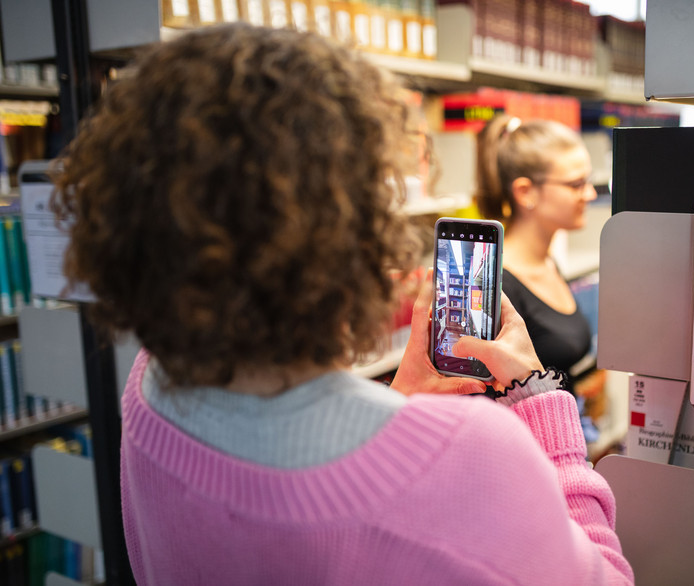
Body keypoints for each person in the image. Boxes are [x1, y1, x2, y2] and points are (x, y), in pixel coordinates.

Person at [52, 24, 633, 585]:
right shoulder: (476, 455)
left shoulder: (149, 381)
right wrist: (538, 403)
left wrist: (396, 406)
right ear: (349, 226)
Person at [475, 114, 600, 392]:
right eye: (575, 184)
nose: (590, 194)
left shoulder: (547, 261)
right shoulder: (501, 286)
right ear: (525, 192)